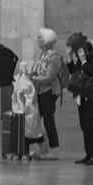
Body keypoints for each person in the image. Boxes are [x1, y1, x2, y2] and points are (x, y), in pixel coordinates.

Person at [65, 32, 93, 166]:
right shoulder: (79, 55)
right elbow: (75, 73)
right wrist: (70, 60)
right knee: (84, 125)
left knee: (90, 124)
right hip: (83, 95)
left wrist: (84, 61)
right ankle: (88, 154)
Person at [26, 28, 64, 161]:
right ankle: (41, 148)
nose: (38, 39)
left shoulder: (54, 56)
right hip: (39, 91)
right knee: (35, 121)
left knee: (48, 120)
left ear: (48, 40)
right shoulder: (41, 55)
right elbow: (38, 72)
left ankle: (52, 150)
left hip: (48, 92)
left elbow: (49, 77)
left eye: (41, 38)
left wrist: (33, 79)